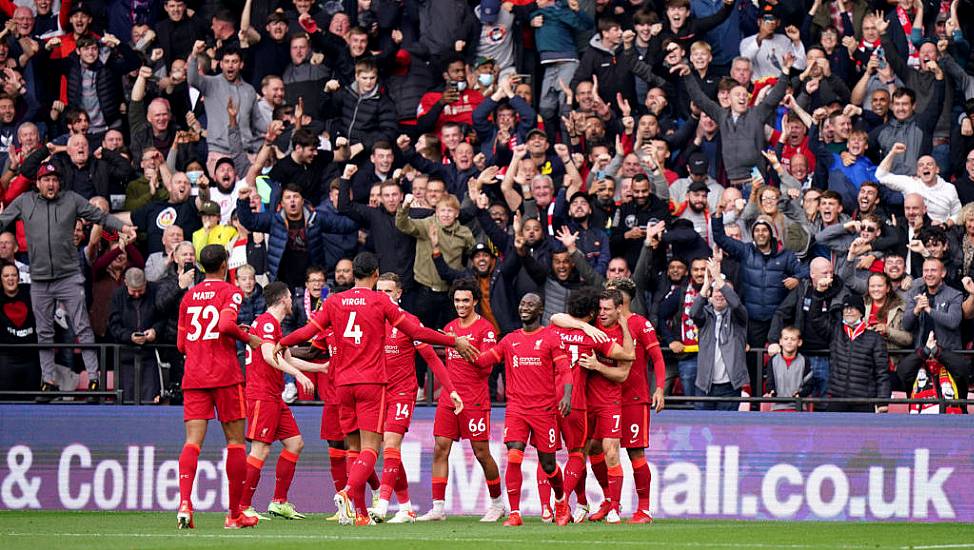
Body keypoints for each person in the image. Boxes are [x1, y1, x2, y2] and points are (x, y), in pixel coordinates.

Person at [275, 252, 479, 526]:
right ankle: (348, 492)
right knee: (372, 448)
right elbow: (418, 333)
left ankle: (360, 515)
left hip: (342, 385)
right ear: (374, 275)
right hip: (372, 383)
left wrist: (282, 341)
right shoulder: (380, 301)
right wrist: (453, 341)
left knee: (353, 449)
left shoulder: (334, 301)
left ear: (352, 274)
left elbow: (307, 332)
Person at [0, 163, 136, 398]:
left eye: (54, 179)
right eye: (46, 180)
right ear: (38, 183)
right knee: (43, 331)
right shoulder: (25, 201)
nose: (51, 184)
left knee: (82, 326)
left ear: (59, 182)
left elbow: (99, 216)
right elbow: (3, 221)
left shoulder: (72, 199)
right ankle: (49, 380)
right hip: (40, 278)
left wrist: (123, 226)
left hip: (69, 276)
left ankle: (94, 378)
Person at [175, 245, 263, 530]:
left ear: (201, 266)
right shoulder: (230, 292)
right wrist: (247, 339)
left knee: (192, 442)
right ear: (226, 265)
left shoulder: (188, 297)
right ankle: (235, 515)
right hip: (225, 375)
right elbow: (226, 324)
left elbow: (180, 345)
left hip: (195, 375)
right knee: (236, 443)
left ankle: (185, 504)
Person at [473, 293, 572, 527]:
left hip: (544, 410)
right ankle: (515, 513)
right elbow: (485, 360)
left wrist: (566, 396)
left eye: (530, 304)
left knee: (548, 465)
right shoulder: (509, 340)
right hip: (516, 408)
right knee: (514, 455)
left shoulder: (550, 337)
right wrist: (460, 346)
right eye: (522, 303)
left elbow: (565, 371)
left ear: (540, 311)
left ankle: (560, 499)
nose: (524, 307)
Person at [370, 273, 462, 524]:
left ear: (398, 294)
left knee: (390, 444)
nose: (382, 297)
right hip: (378, 393)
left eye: (387, 292)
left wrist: (451, 389)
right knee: (386, 450)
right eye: (378, 291)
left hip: (402, 391)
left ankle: (382, 505)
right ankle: (406, 507)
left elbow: (432, 358)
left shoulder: (408, 322)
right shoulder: (372, 322)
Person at [417, 278, 505, 523]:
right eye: (457, 300)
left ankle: (498, 504)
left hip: (475, 399)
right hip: (449, 398)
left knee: (481, 453)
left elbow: (487, 366)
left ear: (475, 301)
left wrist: (468, 352)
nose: (461, 305)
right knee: (440, 448)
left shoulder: (486, 329)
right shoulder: (449, 327)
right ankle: (438, 508)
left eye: (466, 300)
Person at [238, 281, 325, 521]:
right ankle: (242, 505)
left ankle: (279, 502)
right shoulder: (266, 323)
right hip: (261, 395)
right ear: (284, 299)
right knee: (260, 449)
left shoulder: (273, 325)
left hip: (273, 396)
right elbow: (268, 356)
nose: (292, 303)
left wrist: (322, 368)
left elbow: (287, 358)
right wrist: (297, 376)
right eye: (290, 298)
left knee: (294, 444)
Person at [690, 258, 749, 410]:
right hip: (704, 385)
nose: (720, 294)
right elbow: (693, 313)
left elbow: (735, 304)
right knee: (701, 430)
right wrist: (706, 286)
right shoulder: (705, 315)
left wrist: (718, 279)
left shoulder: (738, 317)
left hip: (730, 386)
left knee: (727, 431)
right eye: (717, 291)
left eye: (724, 292)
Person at [108, 267, 165, 404]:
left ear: (146, 283)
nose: (137, 294)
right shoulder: (117, 296)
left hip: (150, 353)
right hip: (125, 354)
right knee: (126, 399)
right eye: (134, 291)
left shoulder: (155, 291)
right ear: (126, 283)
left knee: (150, 399)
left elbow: (164, 317)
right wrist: (129, 336)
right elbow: (114, 325)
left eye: (140, 290)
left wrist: (155, 331)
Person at [764, 326, 814, 412]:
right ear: (780, 341)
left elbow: (809, 384)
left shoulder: (804, 360)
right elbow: (769, 381)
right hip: (777, 407)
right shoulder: (773, 360)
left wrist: (800, 394)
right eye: (786, 339)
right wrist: (771, 391)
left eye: (793, 339)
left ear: (799, 342)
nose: (789, 342)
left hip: (798, 408)